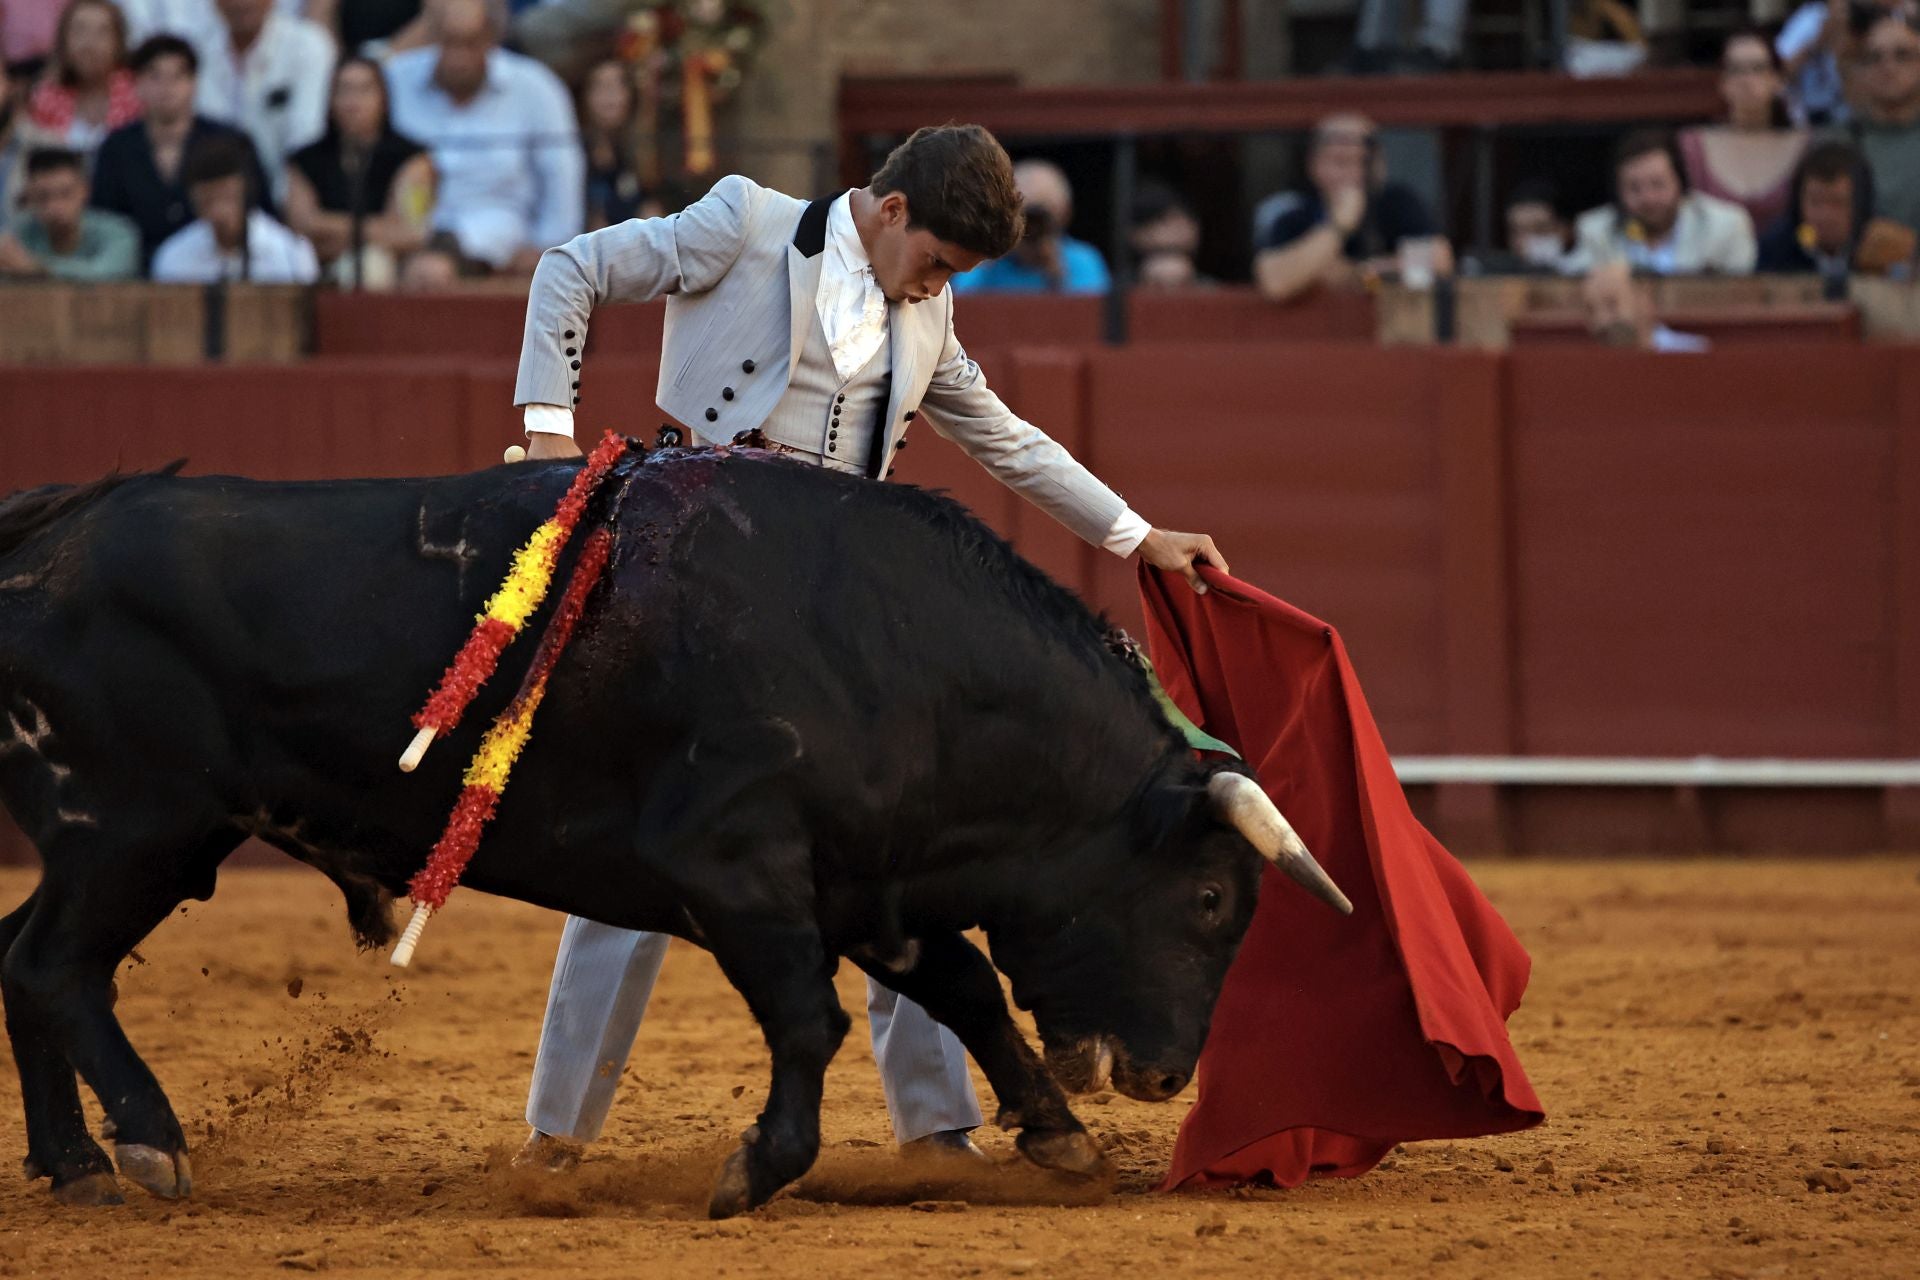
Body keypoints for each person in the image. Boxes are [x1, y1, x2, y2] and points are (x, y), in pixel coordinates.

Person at [505, 123, 1229, 1172]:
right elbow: (572, 267)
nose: (938, 286)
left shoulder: (930, 313)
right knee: (654, 839)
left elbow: (1007, 437)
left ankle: (937, 1129)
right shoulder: (743, 224)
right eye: (935, 260)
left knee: (905, 849)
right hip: (702, 590)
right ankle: (557, 1130)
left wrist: (1136, 535)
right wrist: (543, 431)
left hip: (840, 625)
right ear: (892, 211)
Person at [384, 0, 580, 273]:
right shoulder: (395, 81)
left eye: (469, 44)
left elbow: (561, 176)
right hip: (403, 235)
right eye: (449, 43)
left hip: (500, 245)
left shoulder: (536, 87)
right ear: (431, 37)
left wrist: (550, 250)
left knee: (433, 271)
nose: (458, 58)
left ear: (491, 39)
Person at [90, 33, 271, 266]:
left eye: (178, 76)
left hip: (215, 266)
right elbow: (104, 221)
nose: (167, 87)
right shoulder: (115, 148)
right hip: (134, 273)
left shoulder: (231, 142)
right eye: (155, 76)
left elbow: (260, 214)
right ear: (136, 85)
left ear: (194, 83)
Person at [1253, 113, 1449, 303]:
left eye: (1365, 162)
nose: (1354, 174)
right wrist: (1339, 226)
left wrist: (1358, 274)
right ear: (1315, 165)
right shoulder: (1294, 212)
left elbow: (1436, 263)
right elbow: (1276, 283)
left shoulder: (1397, 202)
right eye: (1341, 162)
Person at [285, 52, 431, 285]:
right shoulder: (304, 160)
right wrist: (377, 229)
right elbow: (301, 226)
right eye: (344, 91)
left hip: (391, 268)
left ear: (384, 99)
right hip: (314, 265)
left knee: (370, 267)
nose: (353, 103)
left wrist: (327, 226)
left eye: (364, 91)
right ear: (330, 100)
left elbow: (410, 233)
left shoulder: (412, 158)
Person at [190, 0, 332, 201]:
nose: (242, 4)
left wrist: (282, 206)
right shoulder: (197, 50)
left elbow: (305, 137)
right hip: (213, 203)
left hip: (286, 202)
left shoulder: (307, 46)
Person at [1570, 129, 1756, 275]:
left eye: (1658, 184)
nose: (1648, 198)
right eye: (1634, 188)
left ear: (1680, 183)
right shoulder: (1595, 231)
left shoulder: (1726, 226)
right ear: (1619, 192)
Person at [1679, 31, 1810, 236]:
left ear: (1776, 80)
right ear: (1723, 83)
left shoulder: (1805, 145)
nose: (1747, 80)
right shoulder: (1692, 145)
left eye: (1758, 69)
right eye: (1736, 70)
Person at [150, 128, 316, 279]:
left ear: (244, 192)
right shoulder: (174, 256)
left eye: (226, 196)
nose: (219, 210)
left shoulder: (291, 253)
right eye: (209, 200)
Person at [1756, 137, 1916, 275]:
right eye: (1815, 202)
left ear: (1861, 203)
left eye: (1837, 202)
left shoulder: (1887, 243)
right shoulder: (1775, 248)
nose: (1825, 216)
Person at [949, 158, 1109, 294]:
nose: (1030, 225)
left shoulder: (1081, 261)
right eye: (1021, 214)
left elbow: (1090, 319)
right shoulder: (988, 265)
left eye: (1040, 217)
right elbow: (960, 309)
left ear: (1064, 213)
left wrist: (1057, 275)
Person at [0, 144, 139, 277]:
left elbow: (106, 273)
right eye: (43, 197)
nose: (55, 206)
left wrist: (39, 268)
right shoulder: (19, 230)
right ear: (29, 196)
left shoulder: (118, 234)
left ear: (85, 191)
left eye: (66, 194)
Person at [24, 0, 142, 151]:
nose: (89, 43)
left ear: (119, 42)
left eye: (102, 32)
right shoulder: (44, 100)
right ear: (63, 41)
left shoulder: (138, 95)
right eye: (80, 30)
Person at [1852, 11, 1920, 233]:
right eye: (1874, 57)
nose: (1888, 66)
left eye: (1902, 55)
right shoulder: (1836, 143)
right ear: (1860, 71)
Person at [578, 57, 659, 231]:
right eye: (600, 86)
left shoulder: (645, 152)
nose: (609, 96)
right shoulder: (573, 151)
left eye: (617, 85)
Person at [1580, 259, 1708, 351]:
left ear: (1643, 298)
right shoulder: (1581, 372)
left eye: (1612, 305)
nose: (1601, 321)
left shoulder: (1694, 353)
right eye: (1590, 310)